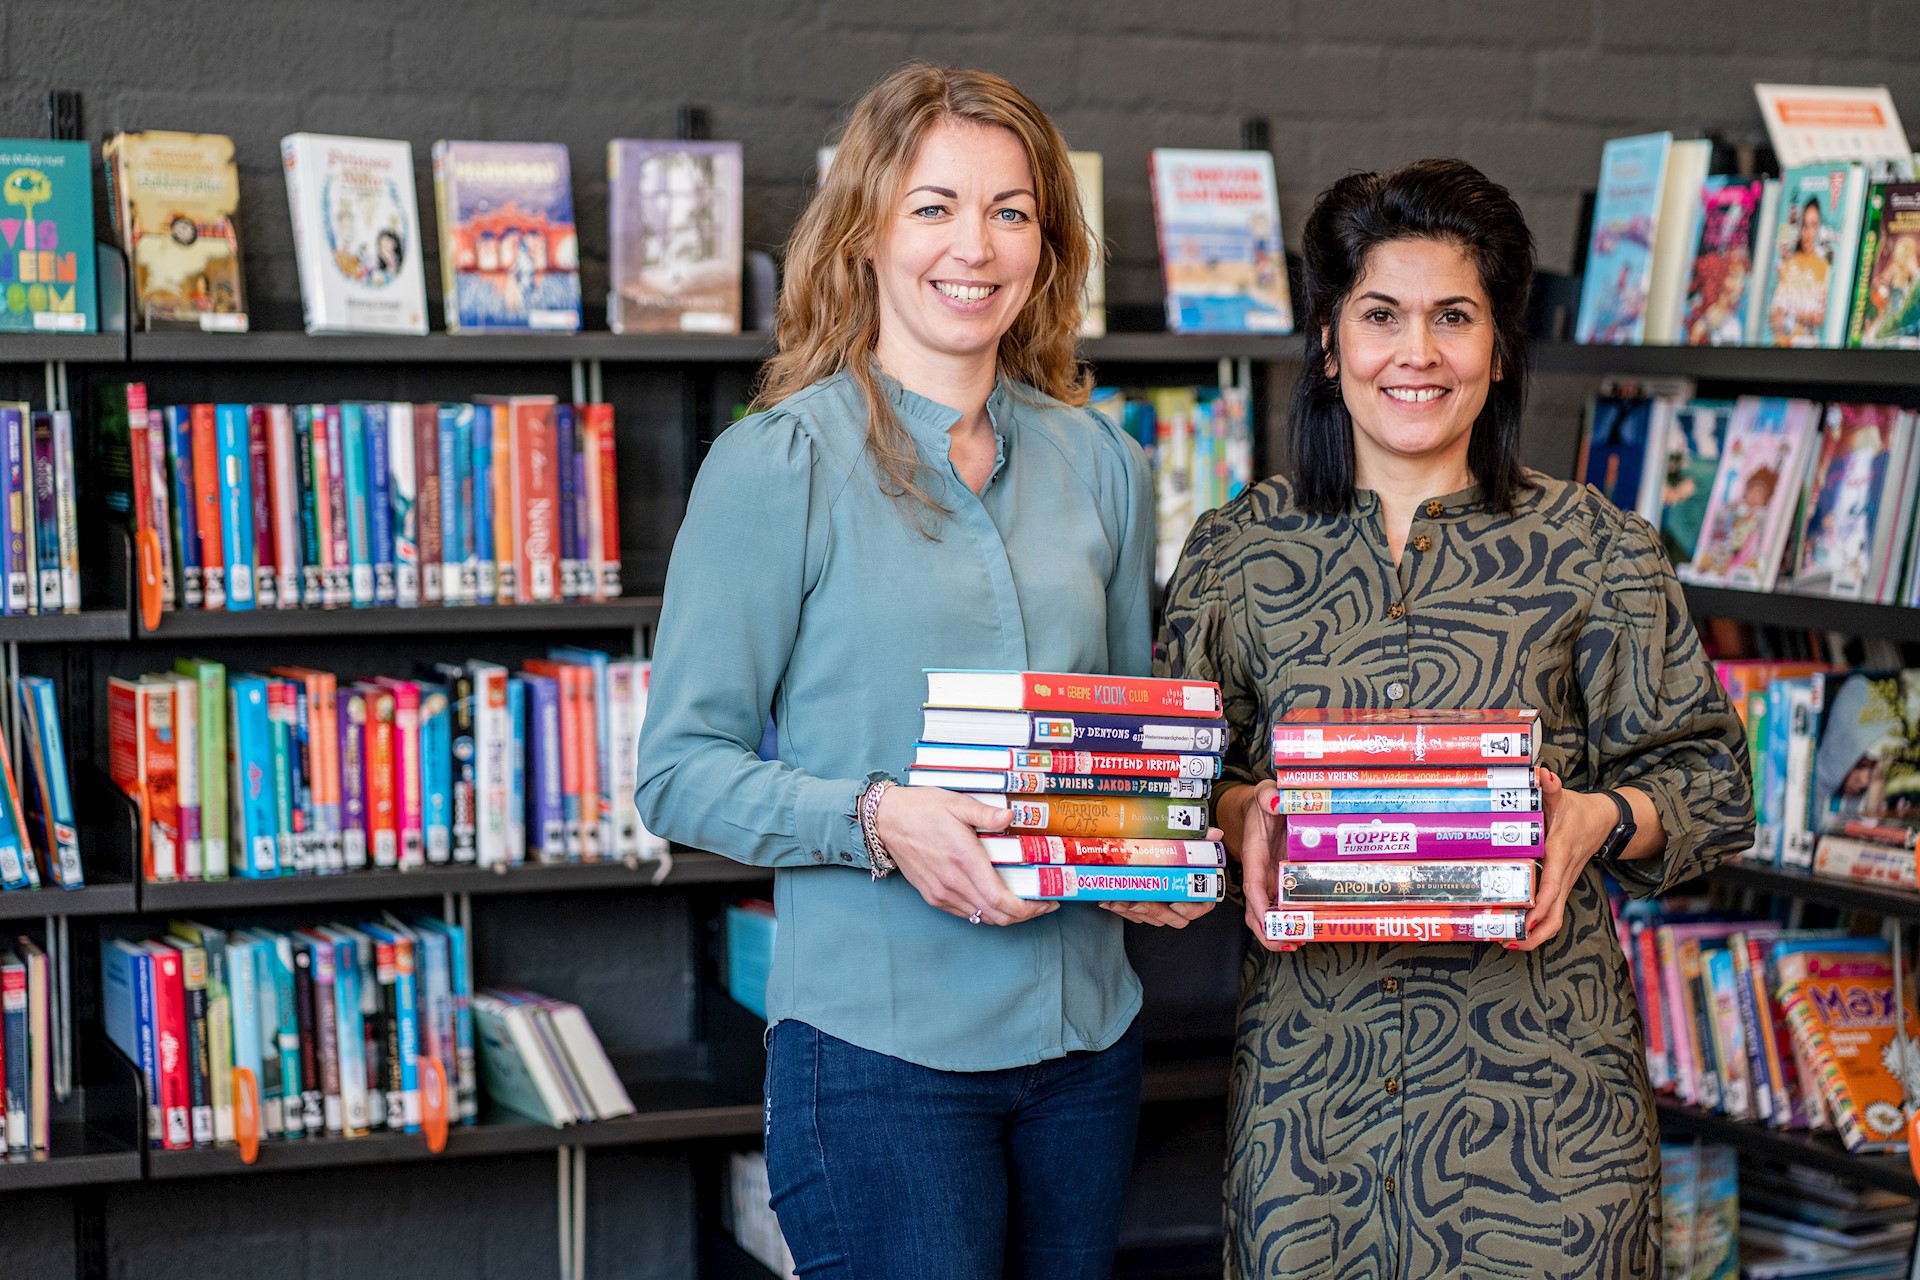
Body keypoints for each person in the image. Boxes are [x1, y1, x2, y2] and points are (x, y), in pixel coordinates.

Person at [635, 62, 1210, 1280]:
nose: (976, 246)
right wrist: (879, 816)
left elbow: (1118, 747)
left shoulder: (1105, 462)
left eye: (1011, 211)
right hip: (879, 1062)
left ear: (1047, 246)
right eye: (935, 206)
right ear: (866, 230)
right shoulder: (776, 464)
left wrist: (1153, 855)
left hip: (1086, 1044)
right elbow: (678, 773)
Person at [1156, 158, 1755, 1278]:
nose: (1417, 352)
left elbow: (1714, 785)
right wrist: (1242, 813)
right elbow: (1174, 786)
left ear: (1499, 346)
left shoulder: (1597, 547)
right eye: (1380, 314)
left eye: (1454, 317)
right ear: (1329, 341)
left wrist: (1596, 818)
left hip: (1548, 1125)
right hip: (1312, 1119)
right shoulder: (1238, 551)